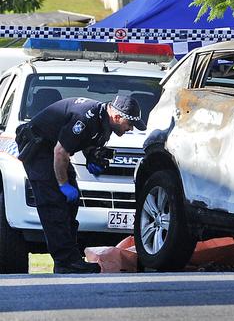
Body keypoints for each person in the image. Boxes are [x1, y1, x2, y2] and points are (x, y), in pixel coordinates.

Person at [15, 95, 146, 274]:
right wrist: (63, 185)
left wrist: (92, 155)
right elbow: (60, 152)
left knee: (70, 205)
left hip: (54, 151)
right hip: (39, 148)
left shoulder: (102, 120)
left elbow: (82, 141)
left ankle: (70, 259)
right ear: (117, 117)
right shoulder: (86, 118)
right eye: (129, 124)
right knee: (54, 205)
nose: (130, 129)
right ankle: (66, 263)